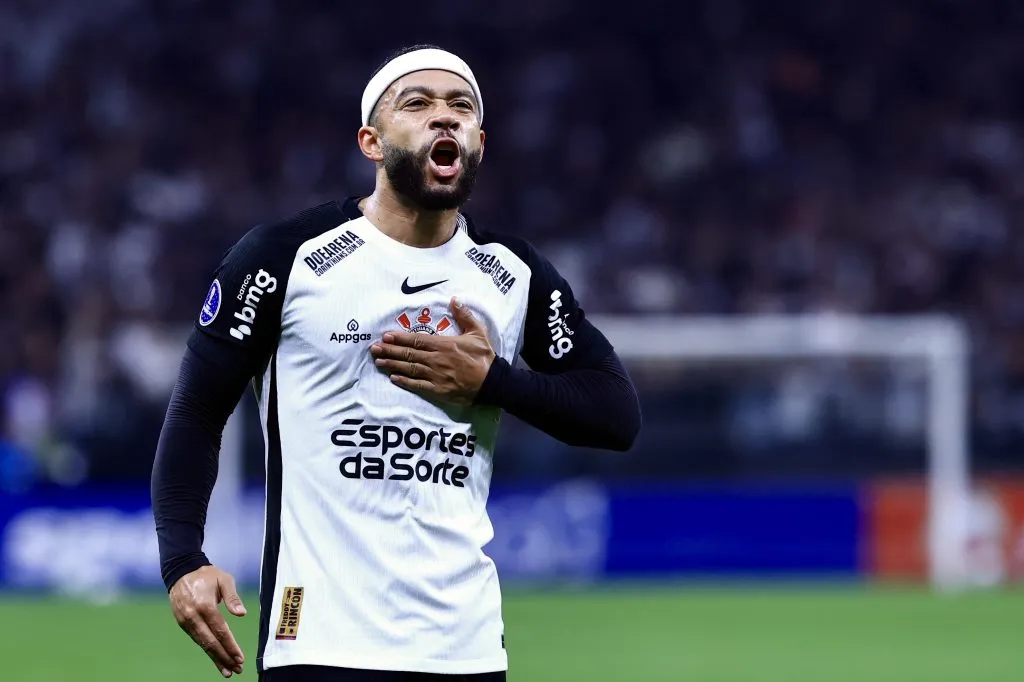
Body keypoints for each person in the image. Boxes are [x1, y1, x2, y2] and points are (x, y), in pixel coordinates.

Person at [151, 44, 642, 682]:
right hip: (318, 641)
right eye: (418, 104)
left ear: (480, 143)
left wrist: (492, 380)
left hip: (464, 648)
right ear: (371, 142)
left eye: (461, 107)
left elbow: (616, 414)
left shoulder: (515, 276)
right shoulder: (282, 258)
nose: (446, 118)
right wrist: (182, 559)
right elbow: (195, 410)